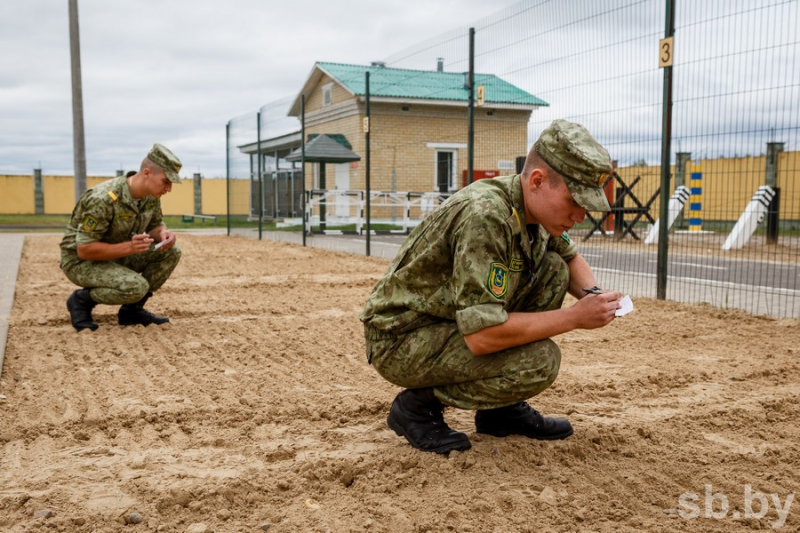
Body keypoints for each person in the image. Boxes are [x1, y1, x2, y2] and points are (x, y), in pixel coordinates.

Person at [360, 119, 622, 454]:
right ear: (538, 180)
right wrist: (574, 317)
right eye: (575, 201)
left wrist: (594, 297)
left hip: (446, 324)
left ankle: (501, 412)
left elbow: (568, 258)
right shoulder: (485, 215)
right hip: (403, 338)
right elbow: (482, 336)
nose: (581, 214)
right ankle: (417, 406)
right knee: (540, 362)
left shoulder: (532, 209)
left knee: (553, 270)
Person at [60, 143, 184, 331]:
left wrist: (163, 234)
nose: (169, 189)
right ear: (147, 173)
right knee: (135, 287)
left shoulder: (150, 196)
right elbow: (84, 250)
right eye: (166, 181)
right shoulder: (103, 199)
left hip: (117, 255)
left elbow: (155, 225)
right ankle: (81, 300)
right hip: (81, 262)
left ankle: (132, 311)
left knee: (171, 252)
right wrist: (130, 248)